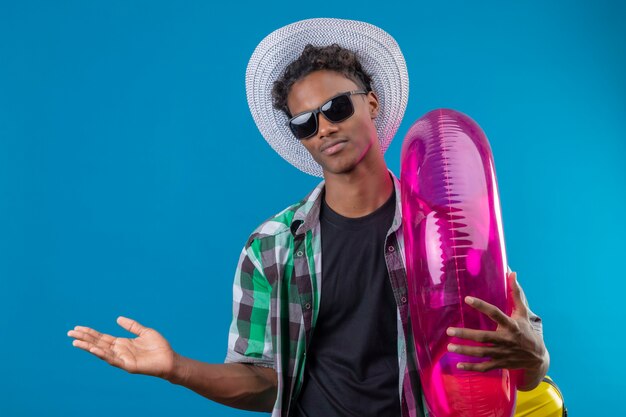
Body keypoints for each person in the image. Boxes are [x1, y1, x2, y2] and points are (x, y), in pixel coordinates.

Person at [68, 18, 549, 417]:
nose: (325, 128)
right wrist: (176, 367)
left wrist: (536, 360)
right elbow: (262, 382)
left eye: (337, 107)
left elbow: (509, 357)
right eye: (306, 121)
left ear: (372, 103)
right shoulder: (270, 247)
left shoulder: (442, 228)